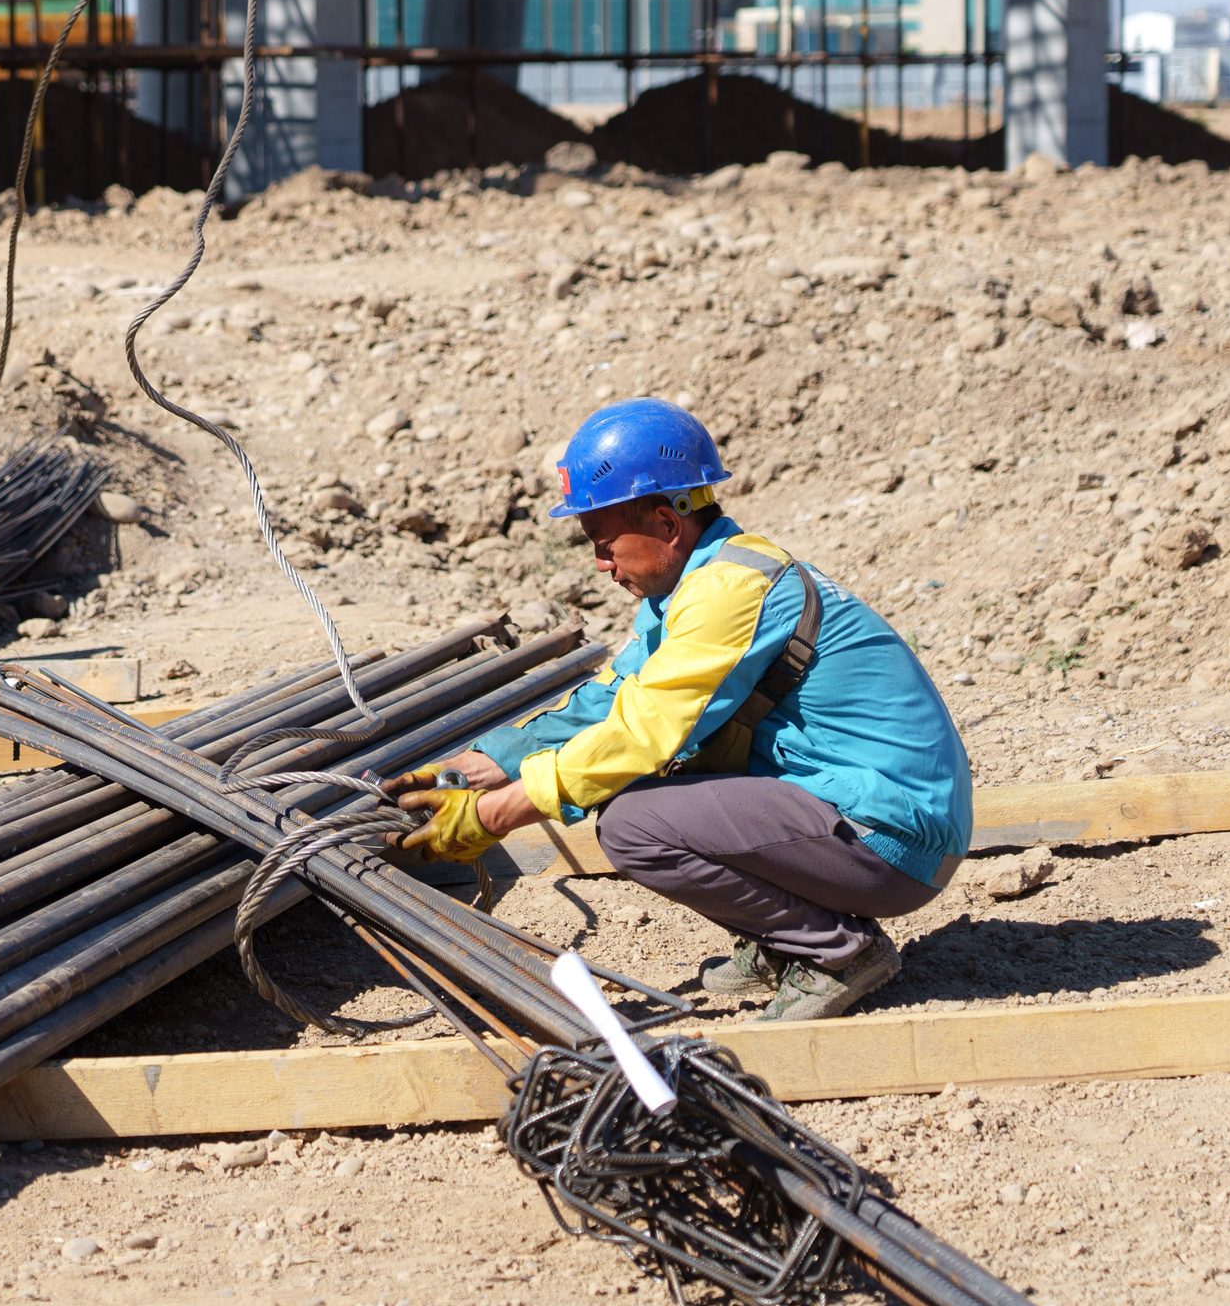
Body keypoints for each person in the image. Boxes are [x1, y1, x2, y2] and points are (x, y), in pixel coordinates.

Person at [388, 399, 971, 1022]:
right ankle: (785, 938)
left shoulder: (729, 590)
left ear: (667, 525)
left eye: (606, 544)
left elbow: (644, 732)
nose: (601, 564)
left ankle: (836, 952)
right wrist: (485, 764)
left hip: (895, 838)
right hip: (863, 809)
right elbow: (614, 698)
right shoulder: (693, 583)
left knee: (634, 822)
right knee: (640, 784)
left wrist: (500, 813)